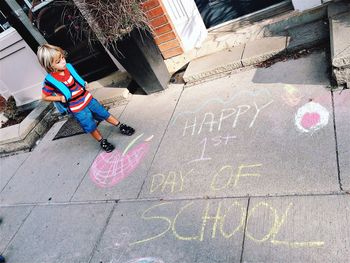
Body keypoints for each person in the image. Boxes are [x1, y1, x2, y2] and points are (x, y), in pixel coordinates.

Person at [37, 44, 134, 152]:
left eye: (62, 58)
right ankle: (102, 141)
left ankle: (120, 125)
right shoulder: (50, 81)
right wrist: (59, 98)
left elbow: (75, 81)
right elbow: (44, 97)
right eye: (58, 62)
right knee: (90, 125)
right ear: (49, 65)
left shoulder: (68, 68)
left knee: (103, 113)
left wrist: (83, 83)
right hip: (77, 107)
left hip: (88, 99)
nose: (63, 62)